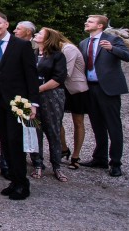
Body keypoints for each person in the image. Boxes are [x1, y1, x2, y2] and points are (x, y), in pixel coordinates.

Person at [0, 11, 39, 200]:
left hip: (19, 101)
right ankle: (14, 180)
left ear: (6, 24)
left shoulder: (22, 45)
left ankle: (22, 183)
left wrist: (33, 103)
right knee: (5, 141)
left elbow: (31, 75)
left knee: (16, 141)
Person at [79, 15, 129, 177]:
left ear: (100, 25)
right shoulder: (84, 43)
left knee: (113, 126)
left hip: (108, 89)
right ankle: (100, 158)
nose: (86, 23)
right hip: (90, 88)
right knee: (97, 125)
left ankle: (115, 163)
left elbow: (128, 56)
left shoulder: (113, 40)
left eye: (90, 21)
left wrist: (112, 49)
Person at [32, 27, 68, 181]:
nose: (36, 34)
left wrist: (37, 89)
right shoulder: (31, 54)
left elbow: (58, 78)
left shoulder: (58, 56)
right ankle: (37, 164)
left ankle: (57, 166)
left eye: (40, 33)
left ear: (48, 38)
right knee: (34, 129)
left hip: (51, 95)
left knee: (53, 129)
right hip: (31, 97)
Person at [58, 31, 88, 170]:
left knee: (78, 122)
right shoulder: (53, 49)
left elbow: (66, 72)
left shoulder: (68, 48)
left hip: (76, 90)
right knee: (56, 120)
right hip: (61, 88)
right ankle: (64, 148)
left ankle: (76, 156)